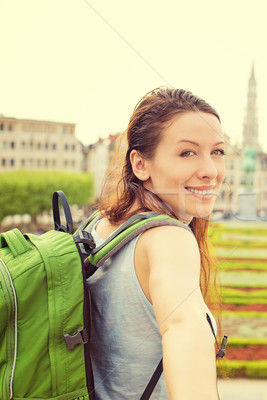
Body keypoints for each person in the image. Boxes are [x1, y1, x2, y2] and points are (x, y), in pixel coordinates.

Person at [88, 87, 225, 399]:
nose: (210, 171)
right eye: (187, 153)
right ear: (140, 165)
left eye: (217, 151)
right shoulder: (170, 239)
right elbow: (183, 329)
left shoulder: (98, 224)